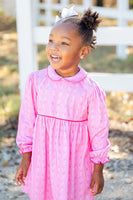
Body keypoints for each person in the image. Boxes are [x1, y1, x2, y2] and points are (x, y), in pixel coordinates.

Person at [15, 6, 110, 200]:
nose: (53, 47)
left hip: (75, 162)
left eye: (64, 43)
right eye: (51, 40)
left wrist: (98, 170)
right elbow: (26, 121)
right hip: (43, 161)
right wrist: (26, 159)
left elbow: (99, 132)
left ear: (83, 52)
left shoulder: (90, 90)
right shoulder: (36, 81)